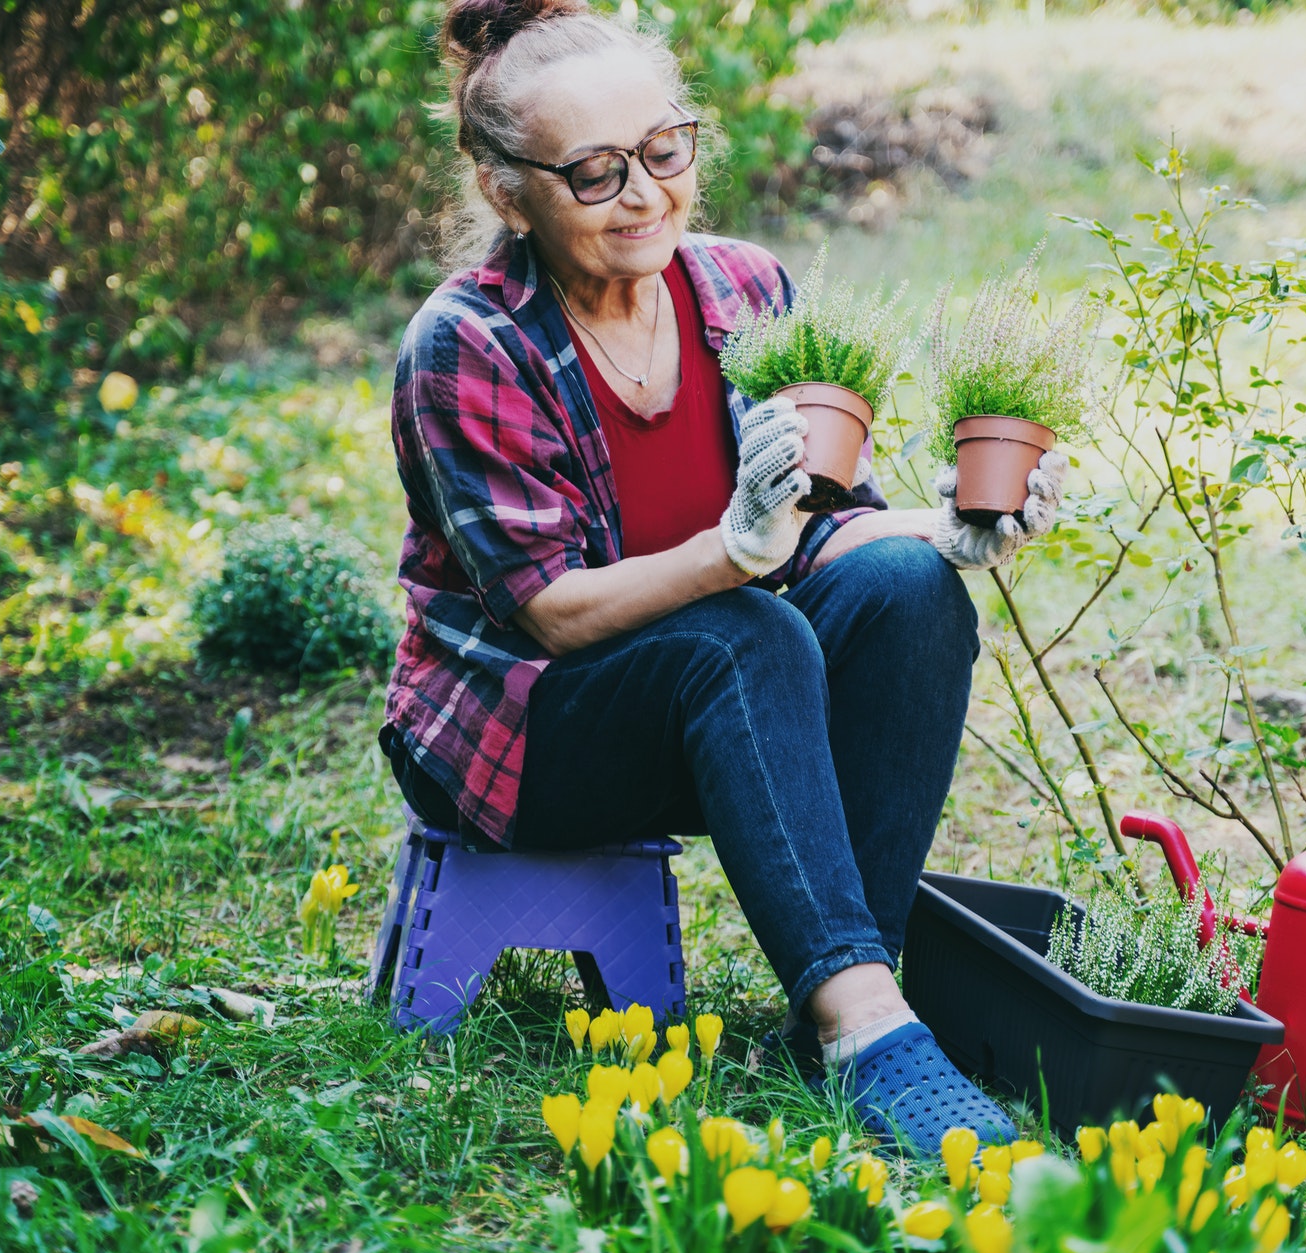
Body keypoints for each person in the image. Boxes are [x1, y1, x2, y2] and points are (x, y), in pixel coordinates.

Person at [380, 0, 1068, 1155]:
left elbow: (807, 527)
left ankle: (850, 988)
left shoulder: (742, 292)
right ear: (510, 191)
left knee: (904, 592)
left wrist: (935, 530)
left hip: (717, 716)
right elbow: (546, 612)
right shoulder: (468, 343)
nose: (645, 194)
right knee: (741, 630)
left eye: (663, 151)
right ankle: (867, 1033)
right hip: (523, 737)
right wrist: (732, 557)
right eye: (595, 173)